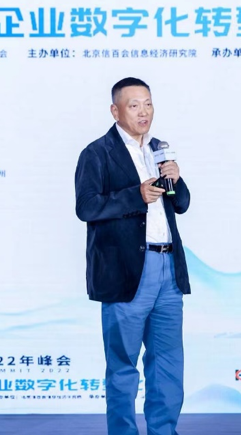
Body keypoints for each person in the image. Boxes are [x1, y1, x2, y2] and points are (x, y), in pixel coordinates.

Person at [74, 77, 191, 435]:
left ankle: (164, 431)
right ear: (116, 111)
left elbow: (181, 205)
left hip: (167, 268)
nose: (144, 112)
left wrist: (176, 180)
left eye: (148, 104)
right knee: (123, 366)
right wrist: (135, 195)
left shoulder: (158, 150)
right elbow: (86, 207)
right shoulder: (98, 153)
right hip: (126, 272)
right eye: (134, 105)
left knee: (168, 363)